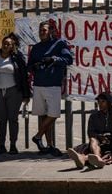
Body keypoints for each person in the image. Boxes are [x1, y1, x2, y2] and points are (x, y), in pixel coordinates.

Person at [27, 20, 73, 157]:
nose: (42, 33)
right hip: (39, 84)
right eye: (40, 30)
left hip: (53, 84)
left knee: (53, 114)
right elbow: (29, 66)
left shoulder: (59, 44)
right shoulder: (36, 48)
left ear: (51, 31)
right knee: (43, 115)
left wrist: (54, 59)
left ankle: (38, 136)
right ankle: (49, 145)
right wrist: (33, 67)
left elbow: (68, 59)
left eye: (45, 30)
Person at [0, 33, 30, 155]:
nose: (5, 45)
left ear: (12, 46)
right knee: (1, 120)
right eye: (4, 43)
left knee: (13, 120)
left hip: (14, 92)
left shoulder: (17, 59)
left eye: (8, 44)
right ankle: (1, 145)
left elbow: (24, 77)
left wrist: (26, 94)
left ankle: (13, 145)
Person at [67, 92, 112, 169]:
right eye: (98, 102)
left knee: (101, 151)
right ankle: (97, 159)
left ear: (108, 103)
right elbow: (90, 133)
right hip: (98, 143)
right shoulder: (94, 116)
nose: (100, 104)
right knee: (93, 140)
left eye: (103, 101)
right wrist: (99, 136)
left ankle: (83, 159)